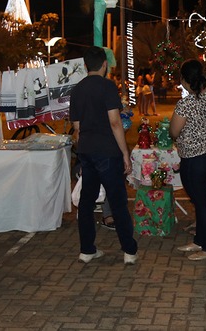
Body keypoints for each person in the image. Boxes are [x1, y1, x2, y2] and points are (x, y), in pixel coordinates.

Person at [70, 46, 138, 265]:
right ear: (105, 64)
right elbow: (115, 122)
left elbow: (77, 126)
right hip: (107, 152)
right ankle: (129, 250)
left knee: (87, 202)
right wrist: (125, 153)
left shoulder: (77, 89)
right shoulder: (108, 87)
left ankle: (87, 249)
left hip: (86, 151)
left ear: (85, 65)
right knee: (118, 202)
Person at [170, 59, 206, 261]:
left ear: (185, 80)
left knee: (202, 201)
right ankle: (200, 240)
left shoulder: (186, 104)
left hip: (195, 157)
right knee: (201, 198)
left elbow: (174, 130)